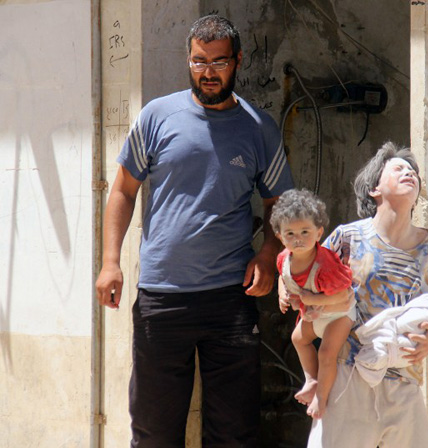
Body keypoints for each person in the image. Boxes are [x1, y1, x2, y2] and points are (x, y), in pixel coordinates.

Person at [94, 14, 294, 448]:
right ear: (189, 59)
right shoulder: (157, 117)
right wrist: (111, 262)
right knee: (153, 431)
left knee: (235, 434)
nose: (208, 72)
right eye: (199, 61)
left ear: (237, 61)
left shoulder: (259, 129)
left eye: (218, 62)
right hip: (161, 298)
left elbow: (280, 205)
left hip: (231, 299)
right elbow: (123, 190)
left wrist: (268, 254)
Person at [301, 142, 428, 448]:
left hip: (404, 379)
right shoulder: (347, 238)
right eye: (399, 168)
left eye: (413, 171)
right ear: (375, 188)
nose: (409, 173)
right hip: (348, 380)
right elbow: (307, 289)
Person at [270, 189, 355, 419]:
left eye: (305, 232)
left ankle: (321, 398)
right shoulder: (284, 259)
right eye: (290, 233)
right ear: (279, 236)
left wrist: (311, 300)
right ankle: (311, 380)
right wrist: (282, 294)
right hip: (314, 315)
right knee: (298, 338)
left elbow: (344, 296)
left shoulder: (325, 265)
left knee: (326, 353)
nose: (298, 239)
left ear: (319, 232)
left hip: (339, 314)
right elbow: (281, 275)